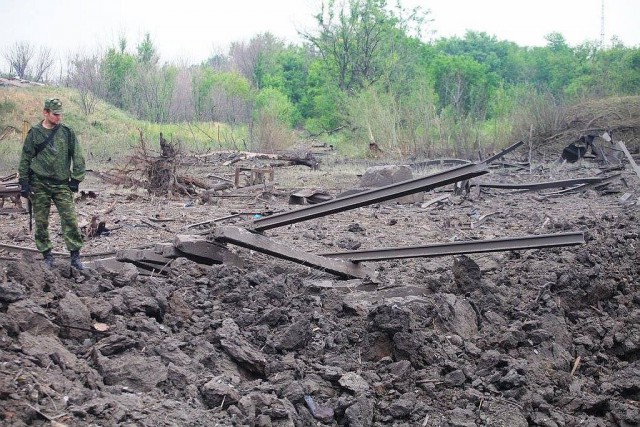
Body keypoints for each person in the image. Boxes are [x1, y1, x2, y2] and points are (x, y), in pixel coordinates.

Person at [18, 98, 86, 269]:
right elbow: (26, 157)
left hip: (62, 184)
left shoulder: (67, 132)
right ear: (46, 113)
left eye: (60, 114)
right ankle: (47, 255)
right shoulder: (35, 133)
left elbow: (78, 156)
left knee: (70, 219)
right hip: (39, 183)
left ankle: (75, 258)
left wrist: (76, 179)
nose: (58, 118)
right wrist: (24, 182)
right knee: (41, 222)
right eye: (55, 114)